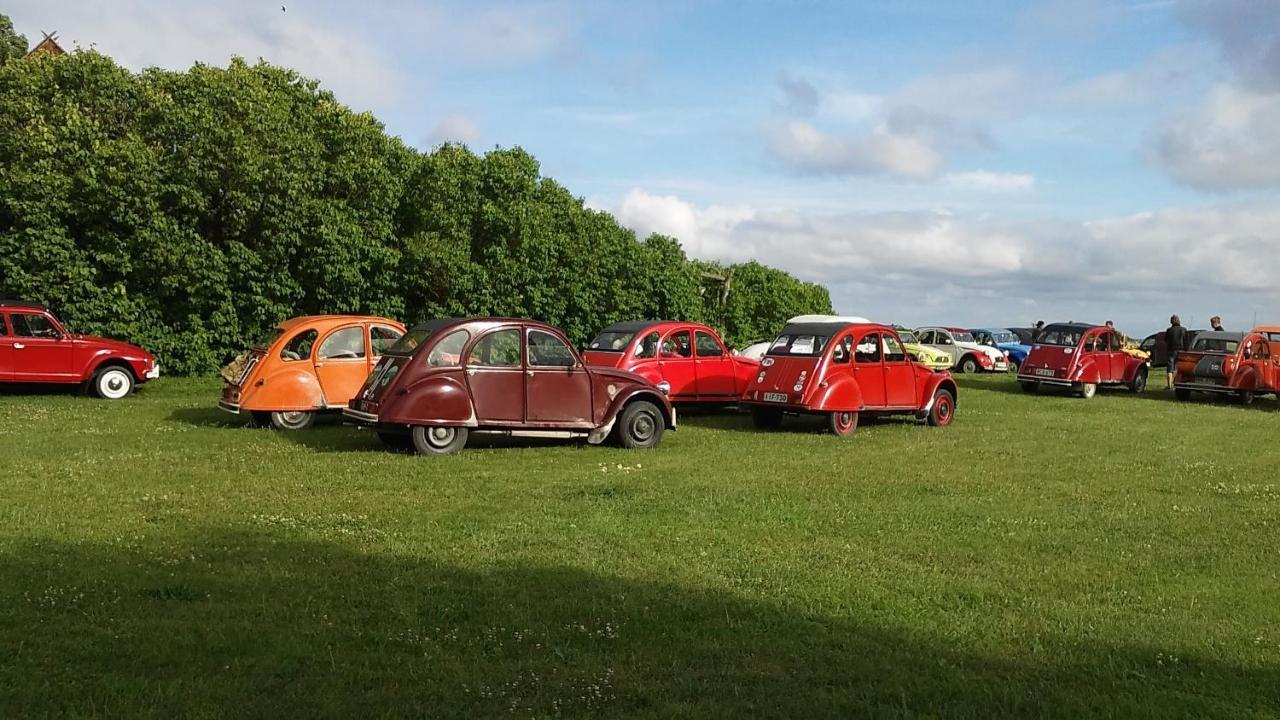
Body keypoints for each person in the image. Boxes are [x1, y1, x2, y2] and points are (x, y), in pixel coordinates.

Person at [1165, 315, 1188, 388]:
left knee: (1169, 368)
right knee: (1176, 368)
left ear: (1171, 321)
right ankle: (1175, 383)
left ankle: (1169, 385)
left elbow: (1165, 340)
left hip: (1171, 350)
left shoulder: (1169, 330)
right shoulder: (1184, 329)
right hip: (1181, 351)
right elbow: (1186, 341)